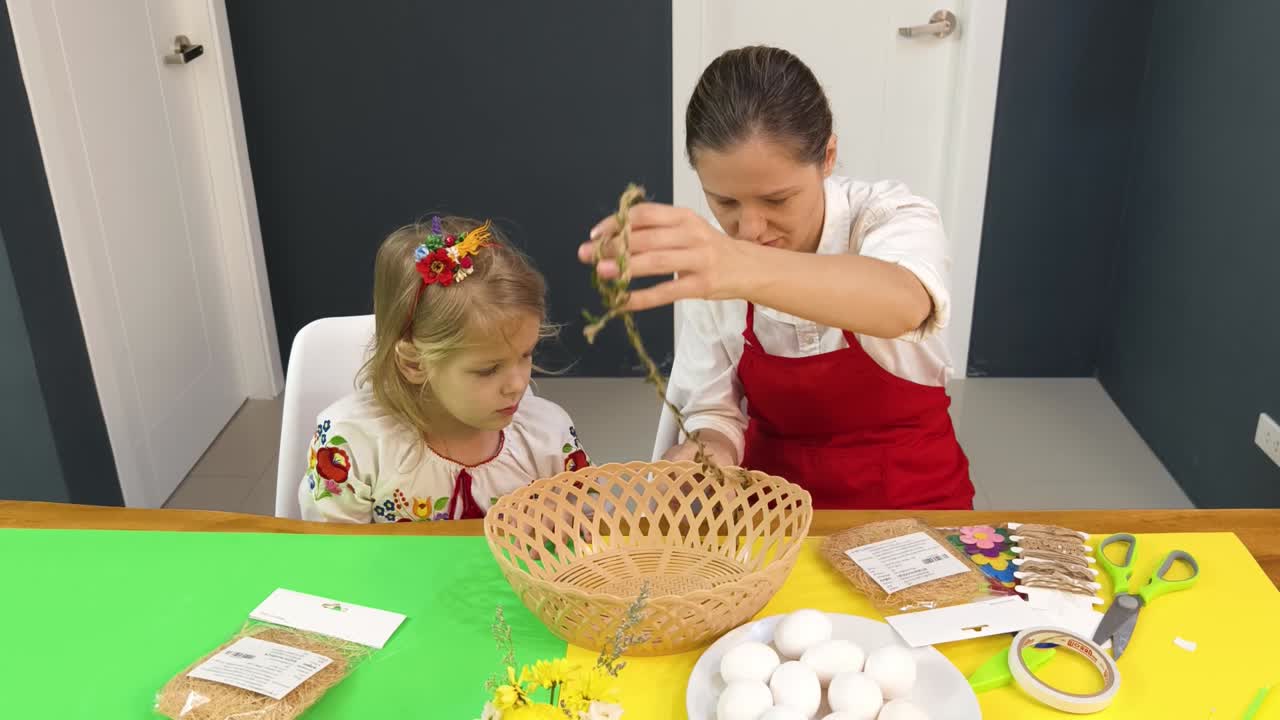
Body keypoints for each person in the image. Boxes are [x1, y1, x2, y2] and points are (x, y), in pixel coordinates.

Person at [580, 46, 972, 509]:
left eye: (777, 200)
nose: (750, 229)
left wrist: (738, 266)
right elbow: (715, 410)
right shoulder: (717, 260)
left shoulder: (889, 216)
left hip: (914, 501)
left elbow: (904, 302)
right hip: (775, 511)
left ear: (828, 156)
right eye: (724, 202)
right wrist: (708, 454)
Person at [301, 215, 589, 523]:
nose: (518, 384)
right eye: (488, 370)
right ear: (414, 363)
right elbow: (331, 547)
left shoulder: (548, 437)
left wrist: (571, 520)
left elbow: (594, 523)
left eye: (526, 354)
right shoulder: (352, 445)